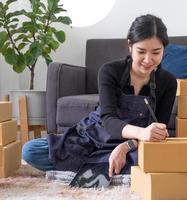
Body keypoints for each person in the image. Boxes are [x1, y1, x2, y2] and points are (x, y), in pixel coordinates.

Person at [22, 14, 177, 186]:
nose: (148, 60)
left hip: (133, 145)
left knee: (159, 160)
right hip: (96, 135)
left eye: (156, 52)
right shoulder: (109, 71)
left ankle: (86, 169)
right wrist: (142, 133)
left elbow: (157, 132)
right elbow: (109, 120)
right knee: (30, 151)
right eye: (141, 51)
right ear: (130, 46)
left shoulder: (168, 82)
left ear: (164, 49)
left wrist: (126, 147)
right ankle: (111, 170)